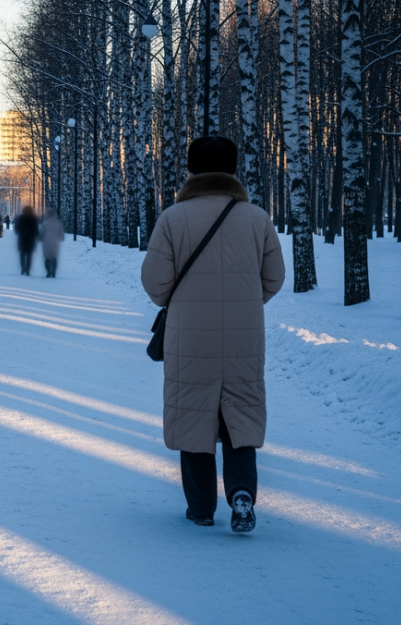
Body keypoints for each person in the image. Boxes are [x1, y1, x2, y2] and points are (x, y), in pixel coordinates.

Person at [140, 136, 285, 534]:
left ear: (191, 169)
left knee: (193, 416)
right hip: (243, 336)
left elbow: (155, 284)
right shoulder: (257, 218)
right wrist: (245, 300)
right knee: (241, 412)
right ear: (233, 169)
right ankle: (241, 492)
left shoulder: (173, 218)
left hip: (189, 336)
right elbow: (274, 278)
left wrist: (183, 299)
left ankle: (202, 507)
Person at [14, 206, 39, 275]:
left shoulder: (21, 218)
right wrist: (37, 236)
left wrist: (19, 231)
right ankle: (28, 269)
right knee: (29, 255)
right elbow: (36, 229)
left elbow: (16, 229)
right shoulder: (33, 219)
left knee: (22, 255)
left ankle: (23, 268)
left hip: (22, 239)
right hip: (31, 239)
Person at [40, 207, 63, 277]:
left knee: (47, 258)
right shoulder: (58, 222)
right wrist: (61, 238)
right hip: (55, 243)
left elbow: (42, 232)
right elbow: (61, 232)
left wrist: (40, 238)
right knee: (54, 258)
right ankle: (53, 272)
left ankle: (48, 271)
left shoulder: (45, 222)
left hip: (46, 243)